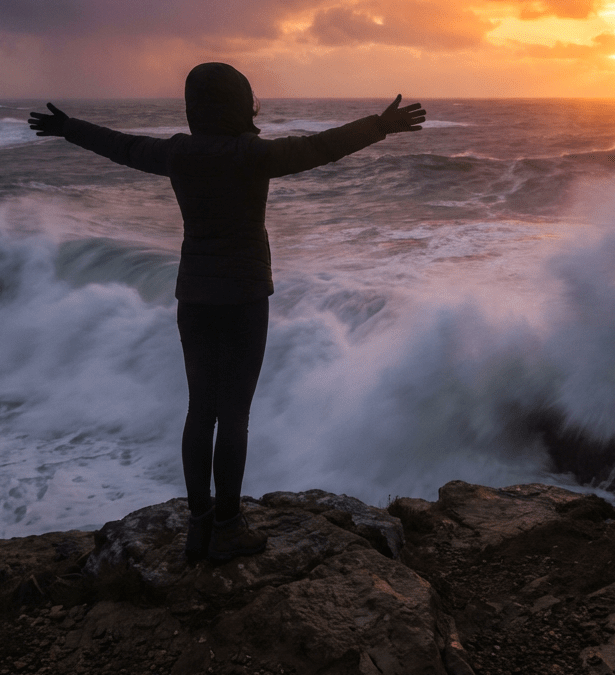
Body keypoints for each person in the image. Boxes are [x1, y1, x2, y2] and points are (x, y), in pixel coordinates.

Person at [28, 63, 425, 563]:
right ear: (242, 104)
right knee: (234, 414)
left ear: (194, 108)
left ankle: (199, 528)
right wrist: (380, 125)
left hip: (193, 297)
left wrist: (68, 128)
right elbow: (321, 148)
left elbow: (121, 146)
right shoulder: (252, 154)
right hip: (243, 297)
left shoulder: (177, 152)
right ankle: (229, 525)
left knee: (201, 410)